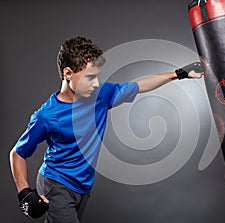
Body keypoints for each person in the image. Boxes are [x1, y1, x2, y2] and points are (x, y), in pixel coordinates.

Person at [9, 36, 204, 222]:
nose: (96, 84)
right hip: (56, 184)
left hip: (83, 186)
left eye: (97, 77)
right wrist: (24, 193)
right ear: (68, 73)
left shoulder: (101, 95)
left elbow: (139, 85)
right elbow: (17, 153)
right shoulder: (46, 116)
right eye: (90, 77)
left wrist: (179, 74)